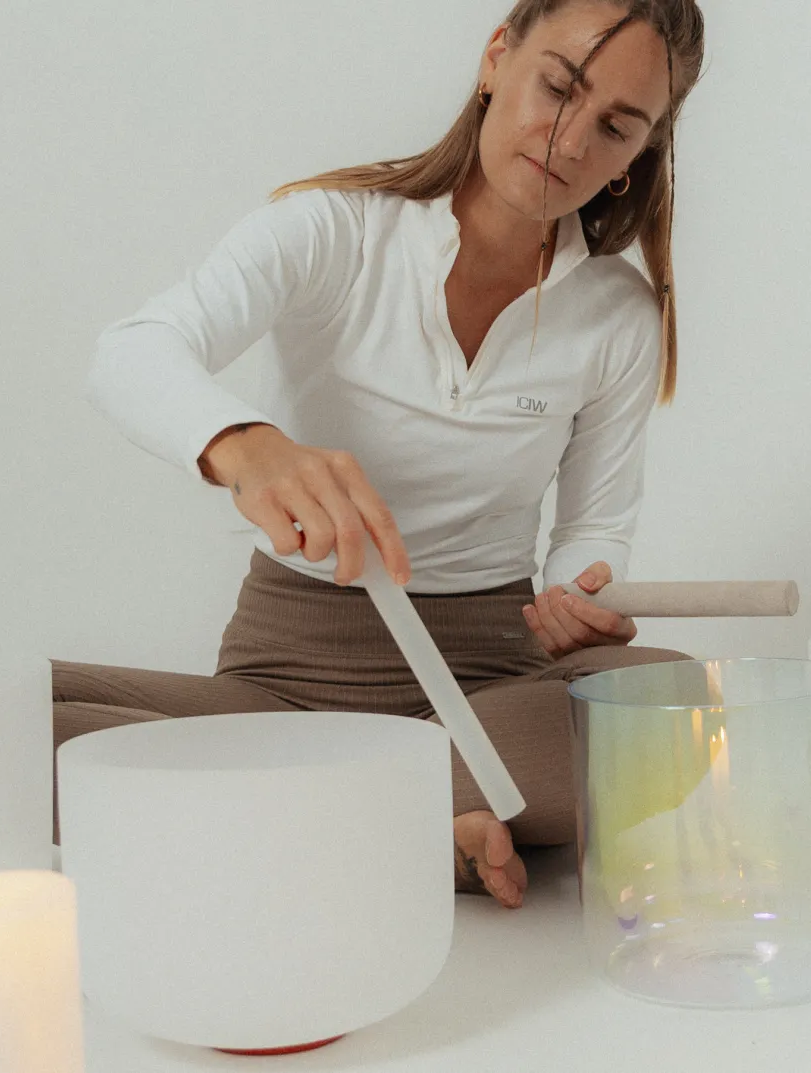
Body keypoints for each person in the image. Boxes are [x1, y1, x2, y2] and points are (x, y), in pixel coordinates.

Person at [53, 0, 707, 909]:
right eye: (557, 86)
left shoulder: (615, 314)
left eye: (615, 126)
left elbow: (592, 522)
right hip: (290, 684)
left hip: (493, 684)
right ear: (496, 57)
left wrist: (579, 595)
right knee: (14, 716)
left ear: (640, 152)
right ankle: (418, 821)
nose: (568, 139)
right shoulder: (332, 230)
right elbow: (131, 350)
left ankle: (305, 811)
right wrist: (247, 446)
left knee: (673, 705)